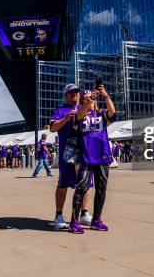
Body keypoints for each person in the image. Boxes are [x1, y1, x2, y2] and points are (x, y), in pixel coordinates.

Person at [69, 86, 116, 233]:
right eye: (85, 99)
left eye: (90, 98)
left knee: (101, 190)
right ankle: (74, 222)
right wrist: (89, 101)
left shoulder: (102, 114)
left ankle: (96, 220)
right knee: (81, 188)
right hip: (85, 157)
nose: (88, 100)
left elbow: (113, 114)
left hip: (102, 157)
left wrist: (106, 96)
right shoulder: (79, 114)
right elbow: (81, 112)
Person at [50, 84, 93, 230]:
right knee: (63, 183)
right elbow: (53, 127)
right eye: (71, 92)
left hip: (84, 150)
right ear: (66, 95)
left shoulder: (86, 106)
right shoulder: (60, 110)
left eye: (76, 92)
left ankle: (84, 214)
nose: (75, 94)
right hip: (68, 150)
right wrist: (66, 119)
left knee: (87, 182)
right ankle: (58, 215)